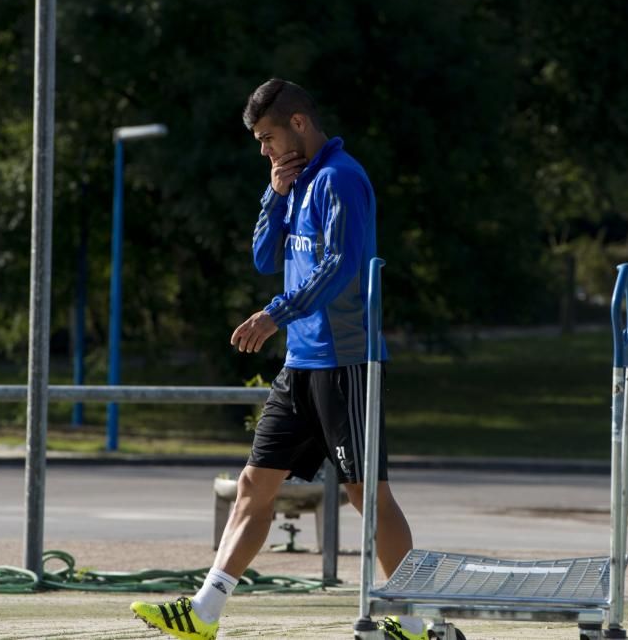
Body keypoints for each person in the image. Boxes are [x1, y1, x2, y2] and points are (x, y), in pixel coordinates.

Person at [131, 79, 432, 640]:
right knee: (253, 484)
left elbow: (341, 265)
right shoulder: (297, 182)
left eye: (267, 138)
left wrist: (276, 314)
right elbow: (266, 255)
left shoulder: (342, 178)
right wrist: (274, 193)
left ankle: (414, 618)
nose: (264, 150)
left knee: (367, 493)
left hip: (346, 361)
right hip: (300, 364)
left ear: (298, 123)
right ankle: (204, 613)